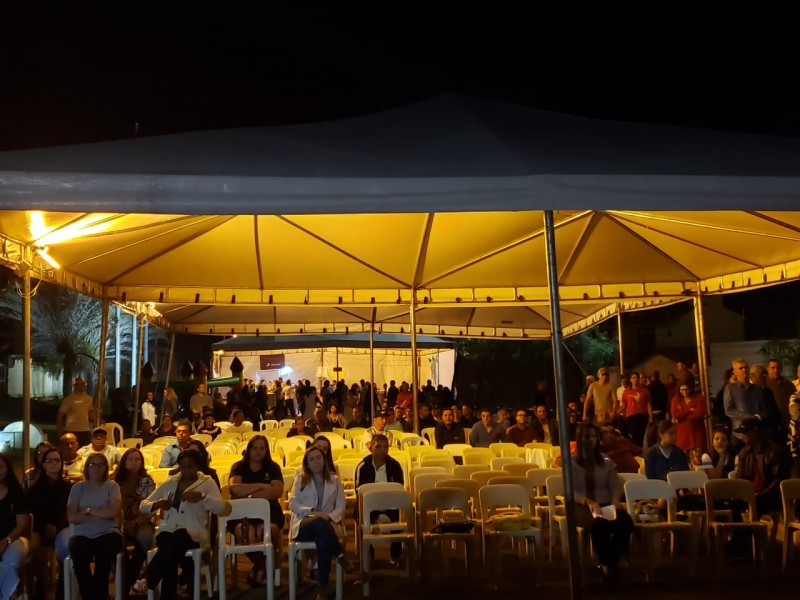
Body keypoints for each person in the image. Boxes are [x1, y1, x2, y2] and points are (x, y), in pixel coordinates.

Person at [134, 450, 225, 600]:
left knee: (173, 543)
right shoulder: (170, 482)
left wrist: (202, 497)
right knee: (169, 544)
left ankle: (147, 577)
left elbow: (221, 507)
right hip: (167, 529)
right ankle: (153, 582)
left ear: (198, 466)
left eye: (190, 467)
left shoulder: (207, 483)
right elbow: (143, 505)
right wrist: (158, 504)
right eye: (183, 467)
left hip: (193, 532)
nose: (186, 470)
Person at [571, 423, 633, 584]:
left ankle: (607, 562)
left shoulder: (606, 460)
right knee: (599, 525)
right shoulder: (572, 462)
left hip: (606, 503)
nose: (590, 440)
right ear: (579, 439)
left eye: (593, 436)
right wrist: (588, 501)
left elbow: (615, 485)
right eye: (586, 437)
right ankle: (609, 565)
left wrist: (614, 502)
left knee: (625, 522)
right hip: (583, 506)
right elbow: (570, 490)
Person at [289, 446, 348, 600]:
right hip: (304, 524)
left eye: (319, 458)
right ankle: (339, 554)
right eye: (311, 459)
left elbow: (341, 507)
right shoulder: (300, 479)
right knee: (317, 523)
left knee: (323, 538)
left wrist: (327, 517)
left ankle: (322, 586)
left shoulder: (335, 480)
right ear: (307, 464)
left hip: (327, 524)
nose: (316, 462)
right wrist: (313, 512)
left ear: (324, 460)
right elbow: (293, 504)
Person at [228, 435, 285, 586]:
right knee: (246, 533)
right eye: (255, 448)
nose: (258, 452)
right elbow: (234, 489)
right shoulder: (238, 467)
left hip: (269, 512)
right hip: (242, 512)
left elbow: (277, 491)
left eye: (262, 448)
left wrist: (249, 492)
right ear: (249, 449)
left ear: (266, 451)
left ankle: (258, 570)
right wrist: (263, 486)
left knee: (264, 531)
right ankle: (263, 566)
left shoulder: (273, 468)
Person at [66, 453, 123, 600]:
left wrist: (88, 511)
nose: (97, 468)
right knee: (77, 548)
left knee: (105, 547)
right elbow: (72, 517)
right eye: (93, 465)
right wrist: (102, 513)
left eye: (101, 465)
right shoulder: (78, 488)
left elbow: (113, 512)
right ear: (87, 467)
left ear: (106, 468)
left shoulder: (112, 486)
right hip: (82, 534)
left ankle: (99, 593)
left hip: (108, 531)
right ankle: (89, 594)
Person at [27, 447, 71, 600]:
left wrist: (56, 527)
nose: (53, 463)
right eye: (49, 460)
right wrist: (44, 527)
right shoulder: (35, 489)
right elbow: (32, 513)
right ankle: (40, 583)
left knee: (66, 547)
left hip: (61, 528)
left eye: (57, 460)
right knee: (31, 547)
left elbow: (69, 512)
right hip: (40, 528)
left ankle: (62, 585)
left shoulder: (68, 487)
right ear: (43, 464)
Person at [353, 434, 404, 566]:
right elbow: (359, 490)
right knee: (362, 518)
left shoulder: (395, 466)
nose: (382, 449)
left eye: (385, 447)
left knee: (400, 516)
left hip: (391, 505)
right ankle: (368, 554)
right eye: (378, 447)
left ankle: (396, 554)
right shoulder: (363, 466)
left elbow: (399, 488)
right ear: (371, 448)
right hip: (368, 507)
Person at [114, 448, 156, 595]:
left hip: (141, 521)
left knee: (145, 537)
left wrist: (137, 520)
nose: (134, 463)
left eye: (137, 459)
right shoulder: (114, 482)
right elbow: (114, 506)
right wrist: (123, 523)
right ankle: (131, 580)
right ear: (124, 462)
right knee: (116, 540)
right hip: (119, 521)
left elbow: (149, 506)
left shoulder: (147, 481)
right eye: (130, 459)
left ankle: (130, 577)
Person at [733, 417, 788, 516]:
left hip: (770, 497)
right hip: (750, 495)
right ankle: (742, 531)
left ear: (754, 432)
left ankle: (755, 530)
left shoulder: (774, 451)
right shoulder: (744, 452)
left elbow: (778, 481)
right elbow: (739, 478)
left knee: (755, 503)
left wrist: (759, 495)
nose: (742, 437)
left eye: (745, 433)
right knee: (732, 504)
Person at [0, 453, 32, 600]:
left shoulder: (15, 492)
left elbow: (22, 523)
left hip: (16, 538)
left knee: (10, 559)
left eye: (1, 467)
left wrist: (6, 541)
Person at [724, 358, 766, 448]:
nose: (744, 370)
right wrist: (748, 417)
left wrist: (758, 417)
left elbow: (764, 408)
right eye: (741, 368)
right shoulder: (730, 388)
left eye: (746, 367)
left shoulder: (757, 388)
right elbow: (728, 410)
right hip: (739, 434)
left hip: (756, 432)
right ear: (734, 372)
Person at [57, 378, 95, 446]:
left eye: (83, 384)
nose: (82, 386)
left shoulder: (88, 398)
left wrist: (98, 419)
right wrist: (60, 430)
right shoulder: (69, 399)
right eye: (80, 384)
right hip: (72, 430)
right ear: (75, 386)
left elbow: (90, 413)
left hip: (85, 430)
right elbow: (60, 415)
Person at [671, 383, 706, 451]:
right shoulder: (675, 400)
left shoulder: (699, 398)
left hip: (697, 434)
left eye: (686, 389)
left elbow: (699, 413)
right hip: (682, 436)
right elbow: (675, 415)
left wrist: (681, 419)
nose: (684, 392)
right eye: (682, 390)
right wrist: (689, 410)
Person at [620, 372, 652, 448]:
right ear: (630, 379)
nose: (635, 380)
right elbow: (624, 405)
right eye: (633, 378)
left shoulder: (645, 391)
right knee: (634, 436)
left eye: (637, 378)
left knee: (641, 437)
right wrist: (616, 412)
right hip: (630, 416)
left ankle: (640, 453)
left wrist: (651, 416)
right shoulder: (626, 392)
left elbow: (648, 404)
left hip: (642, 416)